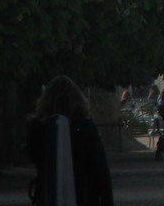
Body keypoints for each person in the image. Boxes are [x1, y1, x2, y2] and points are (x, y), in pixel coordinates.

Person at [28, 75, 114, 206]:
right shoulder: (85, 127)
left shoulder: (39, 127)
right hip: (83, 196)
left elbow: (33, 155)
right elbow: (100, 169)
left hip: (48, 195)